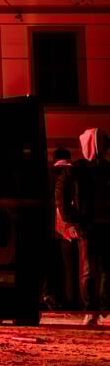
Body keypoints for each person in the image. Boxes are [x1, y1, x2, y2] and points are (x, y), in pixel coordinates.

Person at [75, 128, 110, 325]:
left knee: (103, 269)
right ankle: (92, 309)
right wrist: (73, 220)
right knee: (90, 270)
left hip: (100, 226)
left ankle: (102, 308)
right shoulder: (79, 169)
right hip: (89, 227)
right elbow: (64, 195)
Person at [51, 148, 79, 310]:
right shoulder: (72, 172)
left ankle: (56, 297)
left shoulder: (50, 173)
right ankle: (72, 300)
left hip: (53, 227)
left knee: (56, 265)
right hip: (69, 226)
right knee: (71, 265)